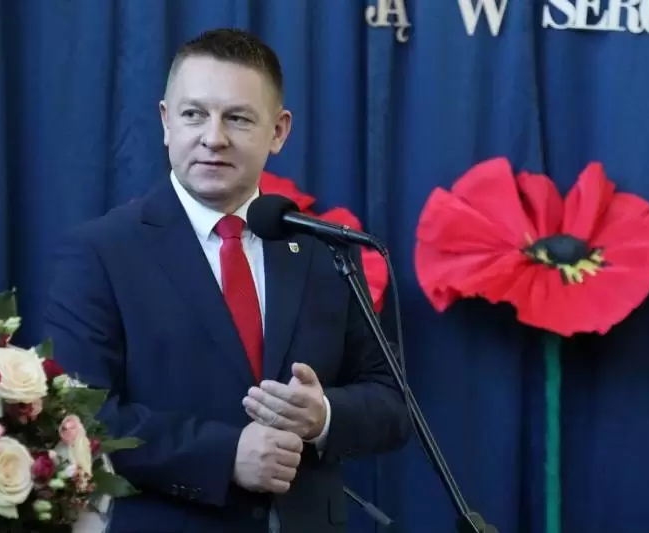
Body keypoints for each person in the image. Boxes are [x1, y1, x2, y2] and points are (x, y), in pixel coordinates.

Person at [42, 28, 411, 533]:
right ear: (165, 121)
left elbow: (392, 403)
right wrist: (225, 455)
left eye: (237, 118)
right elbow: (80, 416)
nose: (213, 138)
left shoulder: (327, 251)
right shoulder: (100, 252)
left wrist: (323, 415)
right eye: (194, 114)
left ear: (278, 131)